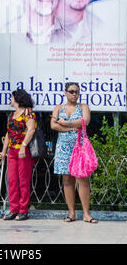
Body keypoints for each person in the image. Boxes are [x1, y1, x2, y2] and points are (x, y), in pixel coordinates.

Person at [51, 82, 98, 223]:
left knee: (82, 179)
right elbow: (53, 125)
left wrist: (65, 123)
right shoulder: (58, 108)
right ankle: (71, 213)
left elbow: (85, 121)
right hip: (63, 147)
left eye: (77, 92)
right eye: (71, 91)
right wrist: (72, 127)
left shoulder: (83, 107)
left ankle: (86, 214)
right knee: (67, 180)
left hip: (79, 147)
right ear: (65, 92)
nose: (74, 94)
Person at [0, 89, 36, 220]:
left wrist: (23, 146)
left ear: (17, 99)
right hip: (12, 151)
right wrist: (3, 151)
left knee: (23, 181)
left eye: (12, 97)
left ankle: (23, 210)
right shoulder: (12, 115)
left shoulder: (28, 113)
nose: (10, 100)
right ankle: (13, 209)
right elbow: (8, 134)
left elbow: (31, 130)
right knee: (12, 181)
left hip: (23, 151)